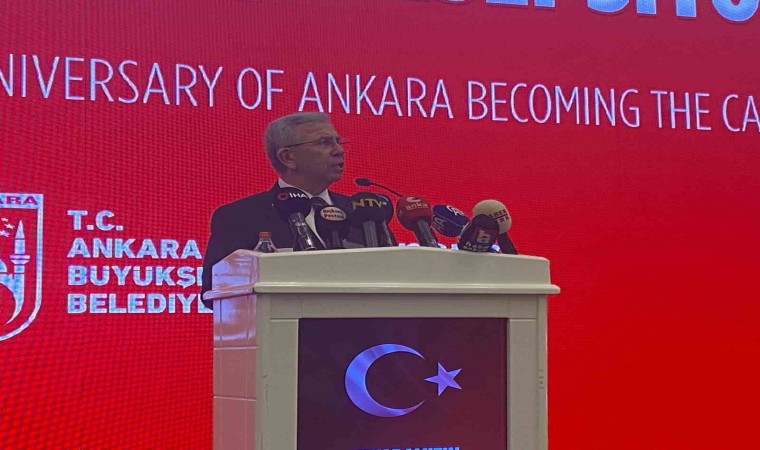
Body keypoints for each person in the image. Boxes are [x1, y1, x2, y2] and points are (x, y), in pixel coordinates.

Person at [201, 112, 352, 307]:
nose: (339, 150)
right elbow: (215, 290)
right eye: (324, 142)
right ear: (287, 157)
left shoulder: (360, 212)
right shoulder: (240, 216)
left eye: (337, 141)